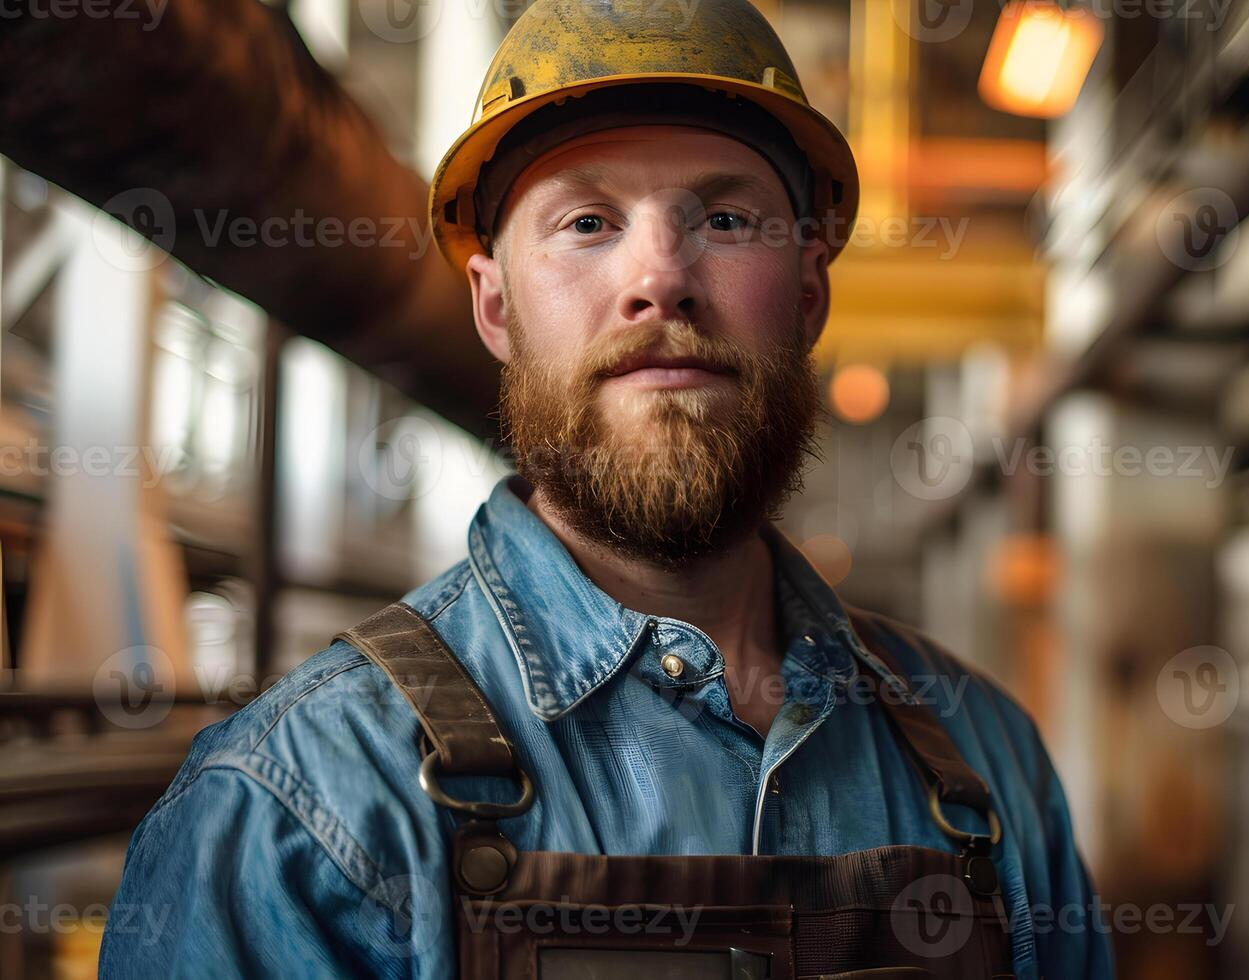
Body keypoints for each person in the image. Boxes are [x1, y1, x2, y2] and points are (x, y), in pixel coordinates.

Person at [101, 1, 1113, 976]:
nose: (659, 278)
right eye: (588, 221)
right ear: (496, 309)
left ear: (809, 296)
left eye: (723, 216)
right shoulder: (299, 803)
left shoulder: (983, 758)